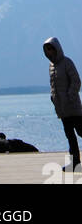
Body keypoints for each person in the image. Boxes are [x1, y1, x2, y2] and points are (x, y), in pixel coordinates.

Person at [43, 36, 82, 171]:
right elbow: (53, 85)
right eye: (47, 50)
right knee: (70, 136)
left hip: (73, 107)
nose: (49, 53)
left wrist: (70, 96)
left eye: (51, 49)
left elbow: (76, 81)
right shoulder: (51, 67)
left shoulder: (67, 63)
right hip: (62, 109)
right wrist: (53, 99)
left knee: (81, 132)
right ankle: (75, 163)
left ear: (56, 49)